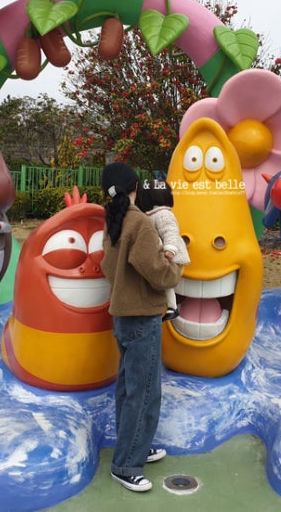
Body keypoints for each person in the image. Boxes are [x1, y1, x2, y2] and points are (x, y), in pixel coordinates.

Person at [99, 162, 183, 493]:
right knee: (145, 392)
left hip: (122, 315)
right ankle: (126, 465)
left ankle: (136, 446)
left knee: (129, 389)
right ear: (136, 187)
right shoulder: (140, 223)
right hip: (142, 316)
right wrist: (175, 268)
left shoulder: (113, 222)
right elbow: (158, 272)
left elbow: (109, 266)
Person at [135, 178, 190, 321]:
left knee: (165, 283)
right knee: (162, 283)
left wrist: (170, 250)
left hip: (170, 256)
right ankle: (171, 307)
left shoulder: (163, 214)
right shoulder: (152, 215)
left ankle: (172, 307)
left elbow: (170, 231)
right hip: (162, 255)